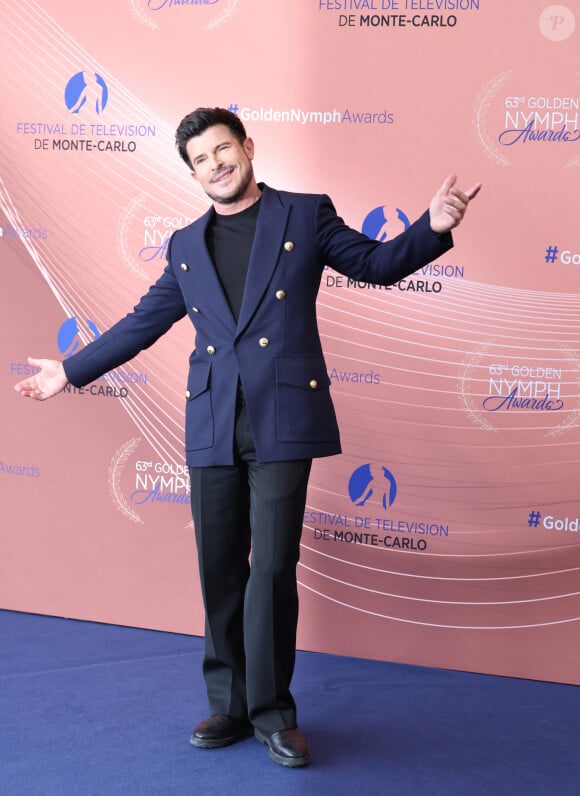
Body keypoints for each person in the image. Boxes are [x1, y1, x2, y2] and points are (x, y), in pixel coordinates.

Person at [14, 107, 481, 768]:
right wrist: (70, 370)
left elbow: (374, 264)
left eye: (222, 150)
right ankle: (229, 704)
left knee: (272, 570)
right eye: (201, 158)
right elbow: (139, 325)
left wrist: (430, 229)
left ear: (248, 148)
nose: (215, 165)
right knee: (219, 566)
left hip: (282, 420)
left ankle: (272, 711)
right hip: (211, 420)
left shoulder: (304, 213)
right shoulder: (184, 244)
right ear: (193, 171)